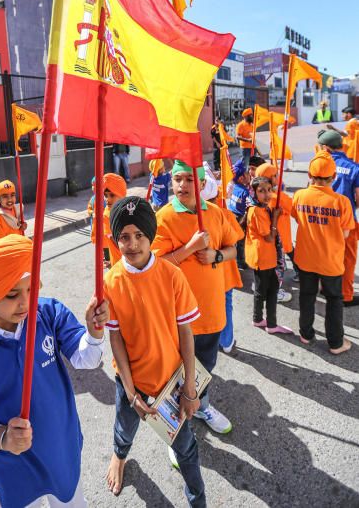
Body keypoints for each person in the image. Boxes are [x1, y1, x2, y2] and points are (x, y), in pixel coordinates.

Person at [0, 234, 109, 508]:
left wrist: (94, 333)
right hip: (13, 468)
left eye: (32, 288)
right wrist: (2, 437)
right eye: (12, 294)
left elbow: (87, 359)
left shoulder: (48, 313)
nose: (25, 302)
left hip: (60, 448)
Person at [103, 197, 206, 506]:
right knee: (124, 428)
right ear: (115, 239)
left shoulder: (172, 275)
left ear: (151, 236)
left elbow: (186, 334)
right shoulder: (110, 282)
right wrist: (132, 392)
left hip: (171, 384)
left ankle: (197, 499)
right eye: (124, 236)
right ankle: (119, 457)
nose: (132, 243)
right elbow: (116, 338)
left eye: (140, 236)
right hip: (131, 382)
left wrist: (189, 387)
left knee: (186, 448)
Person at [153, 161, 237, 434]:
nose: (182, 185)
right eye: (177, 179)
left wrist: (217, 255)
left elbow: (233, 248)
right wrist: (189, 248)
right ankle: (173, 425)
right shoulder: (163, 217)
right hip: (177, 315)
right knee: (176, 374)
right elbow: (155, 265)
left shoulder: (215, 213)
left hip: (210, 312)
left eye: (190, 179)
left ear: (202, 184)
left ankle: (201, 407)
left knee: (205, 368)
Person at [292, 151, 354, 353]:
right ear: (333, 177)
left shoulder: (300, 195)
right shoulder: (342, 202)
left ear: (310, 175)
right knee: (333, 299)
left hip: (306, 258)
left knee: (307, 295)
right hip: (330, 261)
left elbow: (297, 218)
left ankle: (305, 334)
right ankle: (335, 343)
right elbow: (345, 233)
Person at [316, 130, 359, 306]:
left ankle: (323, 288)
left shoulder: (319, 165)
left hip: (322, 219)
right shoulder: (354, 167)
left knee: (324, 254)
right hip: (346, 220)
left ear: (326, 148)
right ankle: (346, 295)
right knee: (347, 258)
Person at [245, 177, 292, 335]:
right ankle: (270, 324)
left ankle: (258, 319)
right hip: (264, 256)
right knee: (271, 290)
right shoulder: (257, 210)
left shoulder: (260, 207)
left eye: (269, 190)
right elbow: (270, 237)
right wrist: (275, 218)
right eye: (261, 191)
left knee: (262, 289)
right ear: (254, 192)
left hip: (264, 256)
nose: (266, 194)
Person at [202, 179, 243, 355]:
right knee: (226, 304)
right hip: (225, 272)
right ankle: (226, 341)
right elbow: (238, 236)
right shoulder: (223, 213)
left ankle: (216, 339)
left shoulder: (196, 216)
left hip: (209, 275)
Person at [255, 163, 297, 299]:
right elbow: (293, 208)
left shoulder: (257, 195)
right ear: (271, 178)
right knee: (279, 267)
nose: (279, 177)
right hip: (277, 239)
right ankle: (275, 292)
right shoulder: (278, 197)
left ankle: (261, 287)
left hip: (263, 239)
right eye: (276, 175)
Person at [91, 173, 127, 268]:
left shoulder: (126, 209)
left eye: (112, 195)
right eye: (105, 195)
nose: (107, 199)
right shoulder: (107, 214)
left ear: (121, 195)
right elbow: (114, 241)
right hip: (119, 260)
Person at [228, 159, 250, 270]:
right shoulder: (245, 192)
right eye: (247, 173)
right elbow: (248, 208)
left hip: (232, 215)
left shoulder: (233, 186)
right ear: (241, 178)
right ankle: (240, 262)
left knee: (234, 240)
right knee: (241, 241)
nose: (249, 174)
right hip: (241, 218)